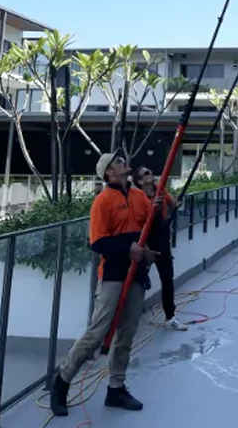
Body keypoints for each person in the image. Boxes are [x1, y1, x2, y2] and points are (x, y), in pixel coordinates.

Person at [50, 151, 160, 416]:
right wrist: (128, 249)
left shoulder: (137, 197)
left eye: (122, 161)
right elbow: (98, 242)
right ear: (109, 172)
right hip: (113, 273)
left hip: (137, 273)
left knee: (127, 333)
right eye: (118, 162)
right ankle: (62, 381)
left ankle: (116, 388)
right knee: (97, 332)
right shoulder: (103, 201)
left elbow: (149, 228)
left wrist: (150, 248)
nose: (124, 163)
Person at [132, 166, 188, 331]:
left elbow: (172, 205)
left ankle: (170, 317)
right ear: (140, 181)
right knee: (138, 281)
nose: (151, 173)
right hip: (146, 241)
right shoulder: (138, 197)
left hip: (162, 240)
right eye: (147, 173)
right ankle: (130, 318)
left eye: (150, 171)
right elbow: (138, 222)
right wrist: (146, 248)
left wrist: (176, 204)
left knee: (167, 280)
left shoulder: (161, 190)